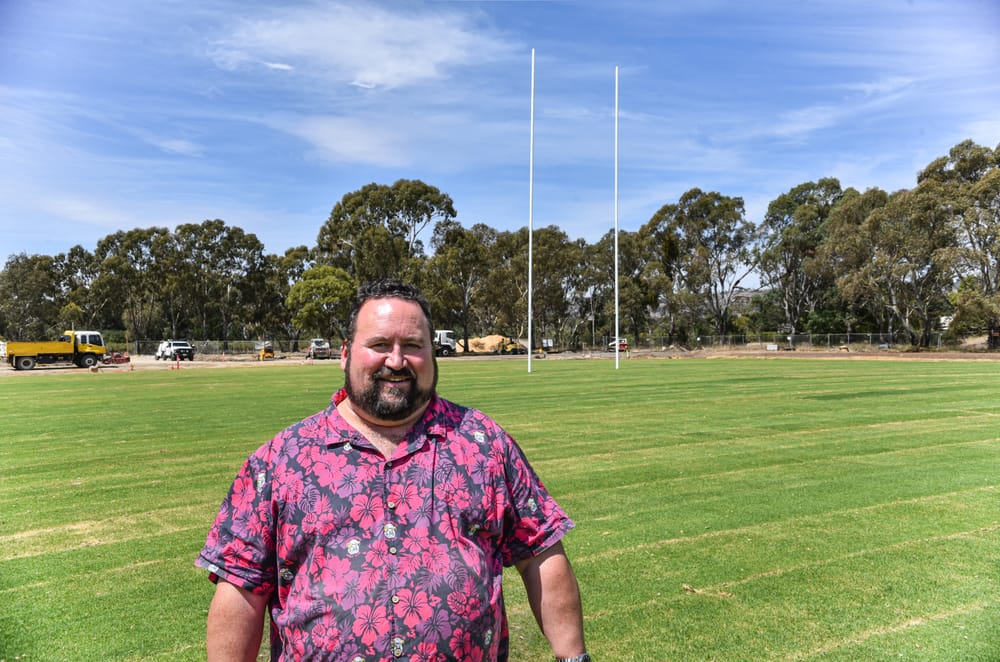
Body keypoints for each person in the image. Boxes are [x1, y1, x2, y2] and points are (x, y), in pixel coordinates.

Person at [196, 279, 589, 662]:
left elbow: (541, 554)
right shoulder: (281, 460)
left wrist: (573, 658)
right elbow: (241, 591)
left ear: (432, 353)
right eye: (380, 345)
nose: (396, 361)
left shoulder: (484, 443)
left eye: (413, 346)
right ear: (346, 353)